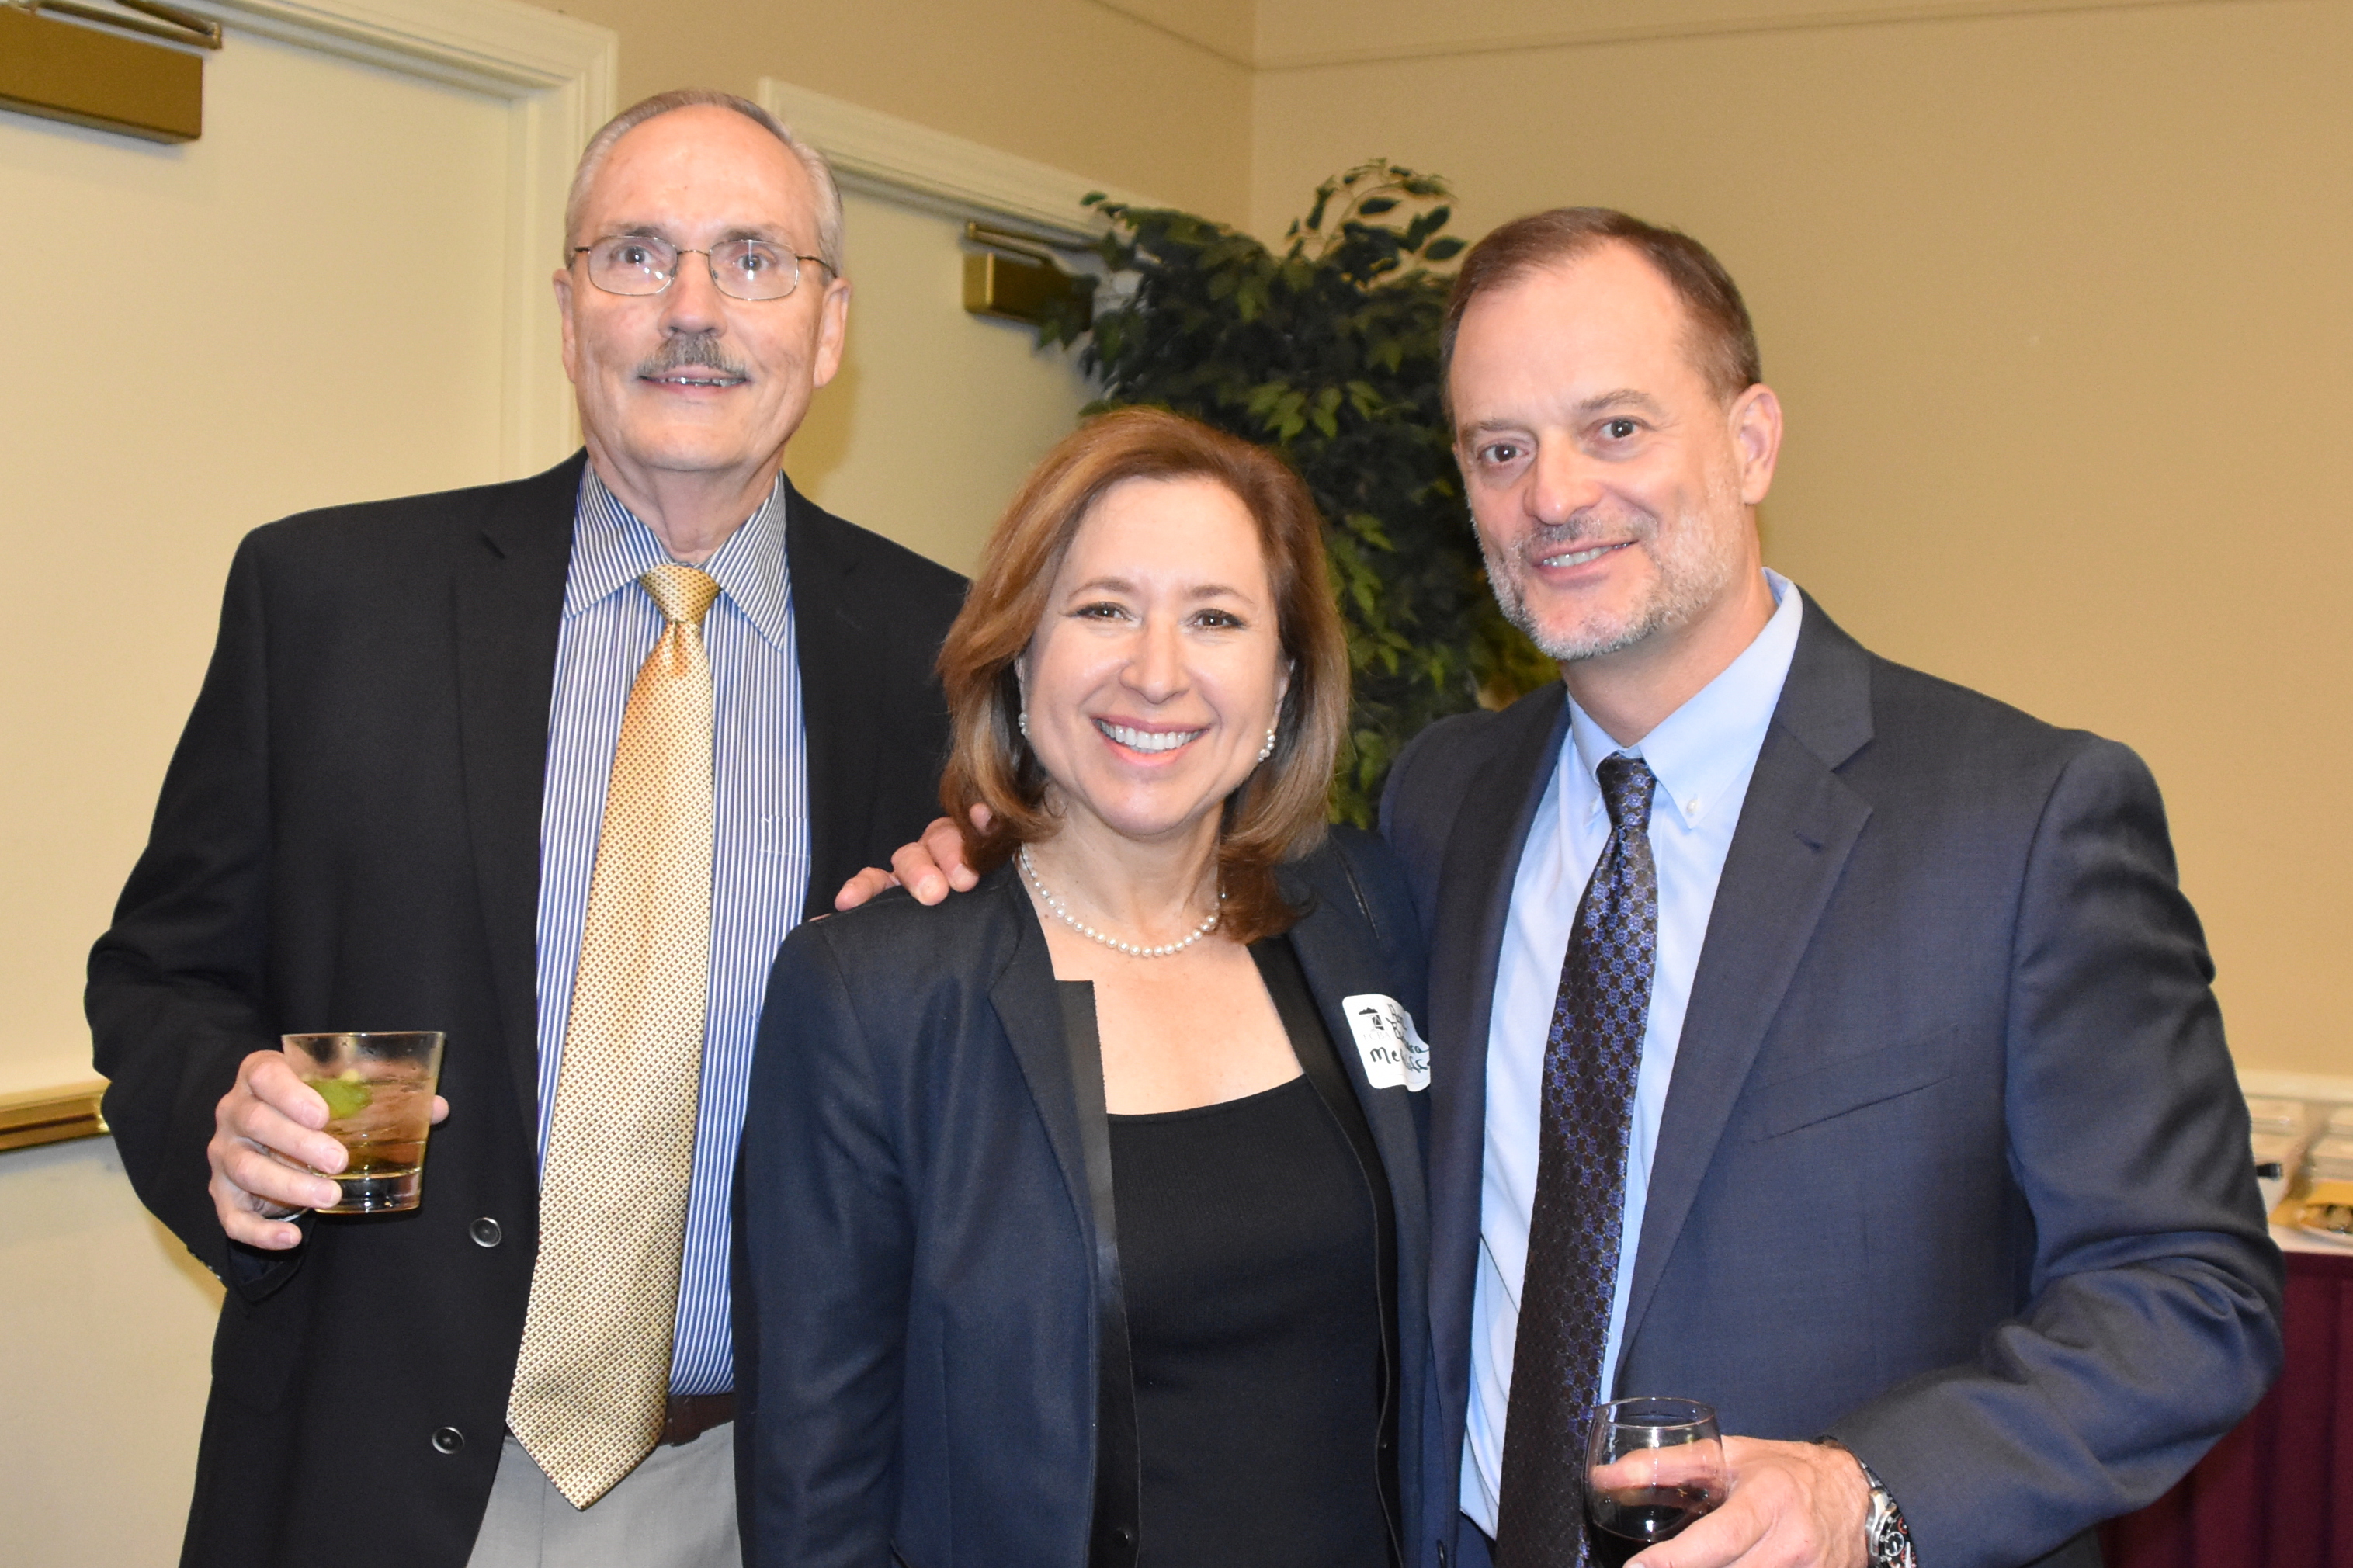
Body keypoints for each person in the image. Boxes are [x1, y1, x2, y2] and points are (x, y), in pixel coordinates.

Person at [842, 210, 2283, 1568]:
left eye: (1616, 428)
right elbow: (1180, 916)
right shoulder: (1442, 801)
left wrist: (1863, 1494)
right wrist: (996, 865)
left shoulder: (2019, 819)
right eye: (1501, 448)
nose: (1556, 497)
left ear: (1752, 440)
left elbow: (2188, 1292)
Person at [86, 89, 966, 1568]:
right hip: (380, 1473)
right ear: (569, 315)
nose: (694, 309)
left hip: (781, 1492)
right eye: (637, 255)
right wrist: (217, 1125)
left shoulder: (954, 657)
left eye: (755, 259)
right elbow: (163, 975)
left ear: (829, 328)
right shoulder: (331, 601)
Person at [734, 408, 1435, 1568]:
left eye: (1216, 618)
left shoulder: (1367, 912)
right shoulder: (875, 997)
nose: (1155, 673)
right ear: (1020, 655)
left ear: (1282, 683)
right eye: (1104, 609)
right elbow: (817, 1492)